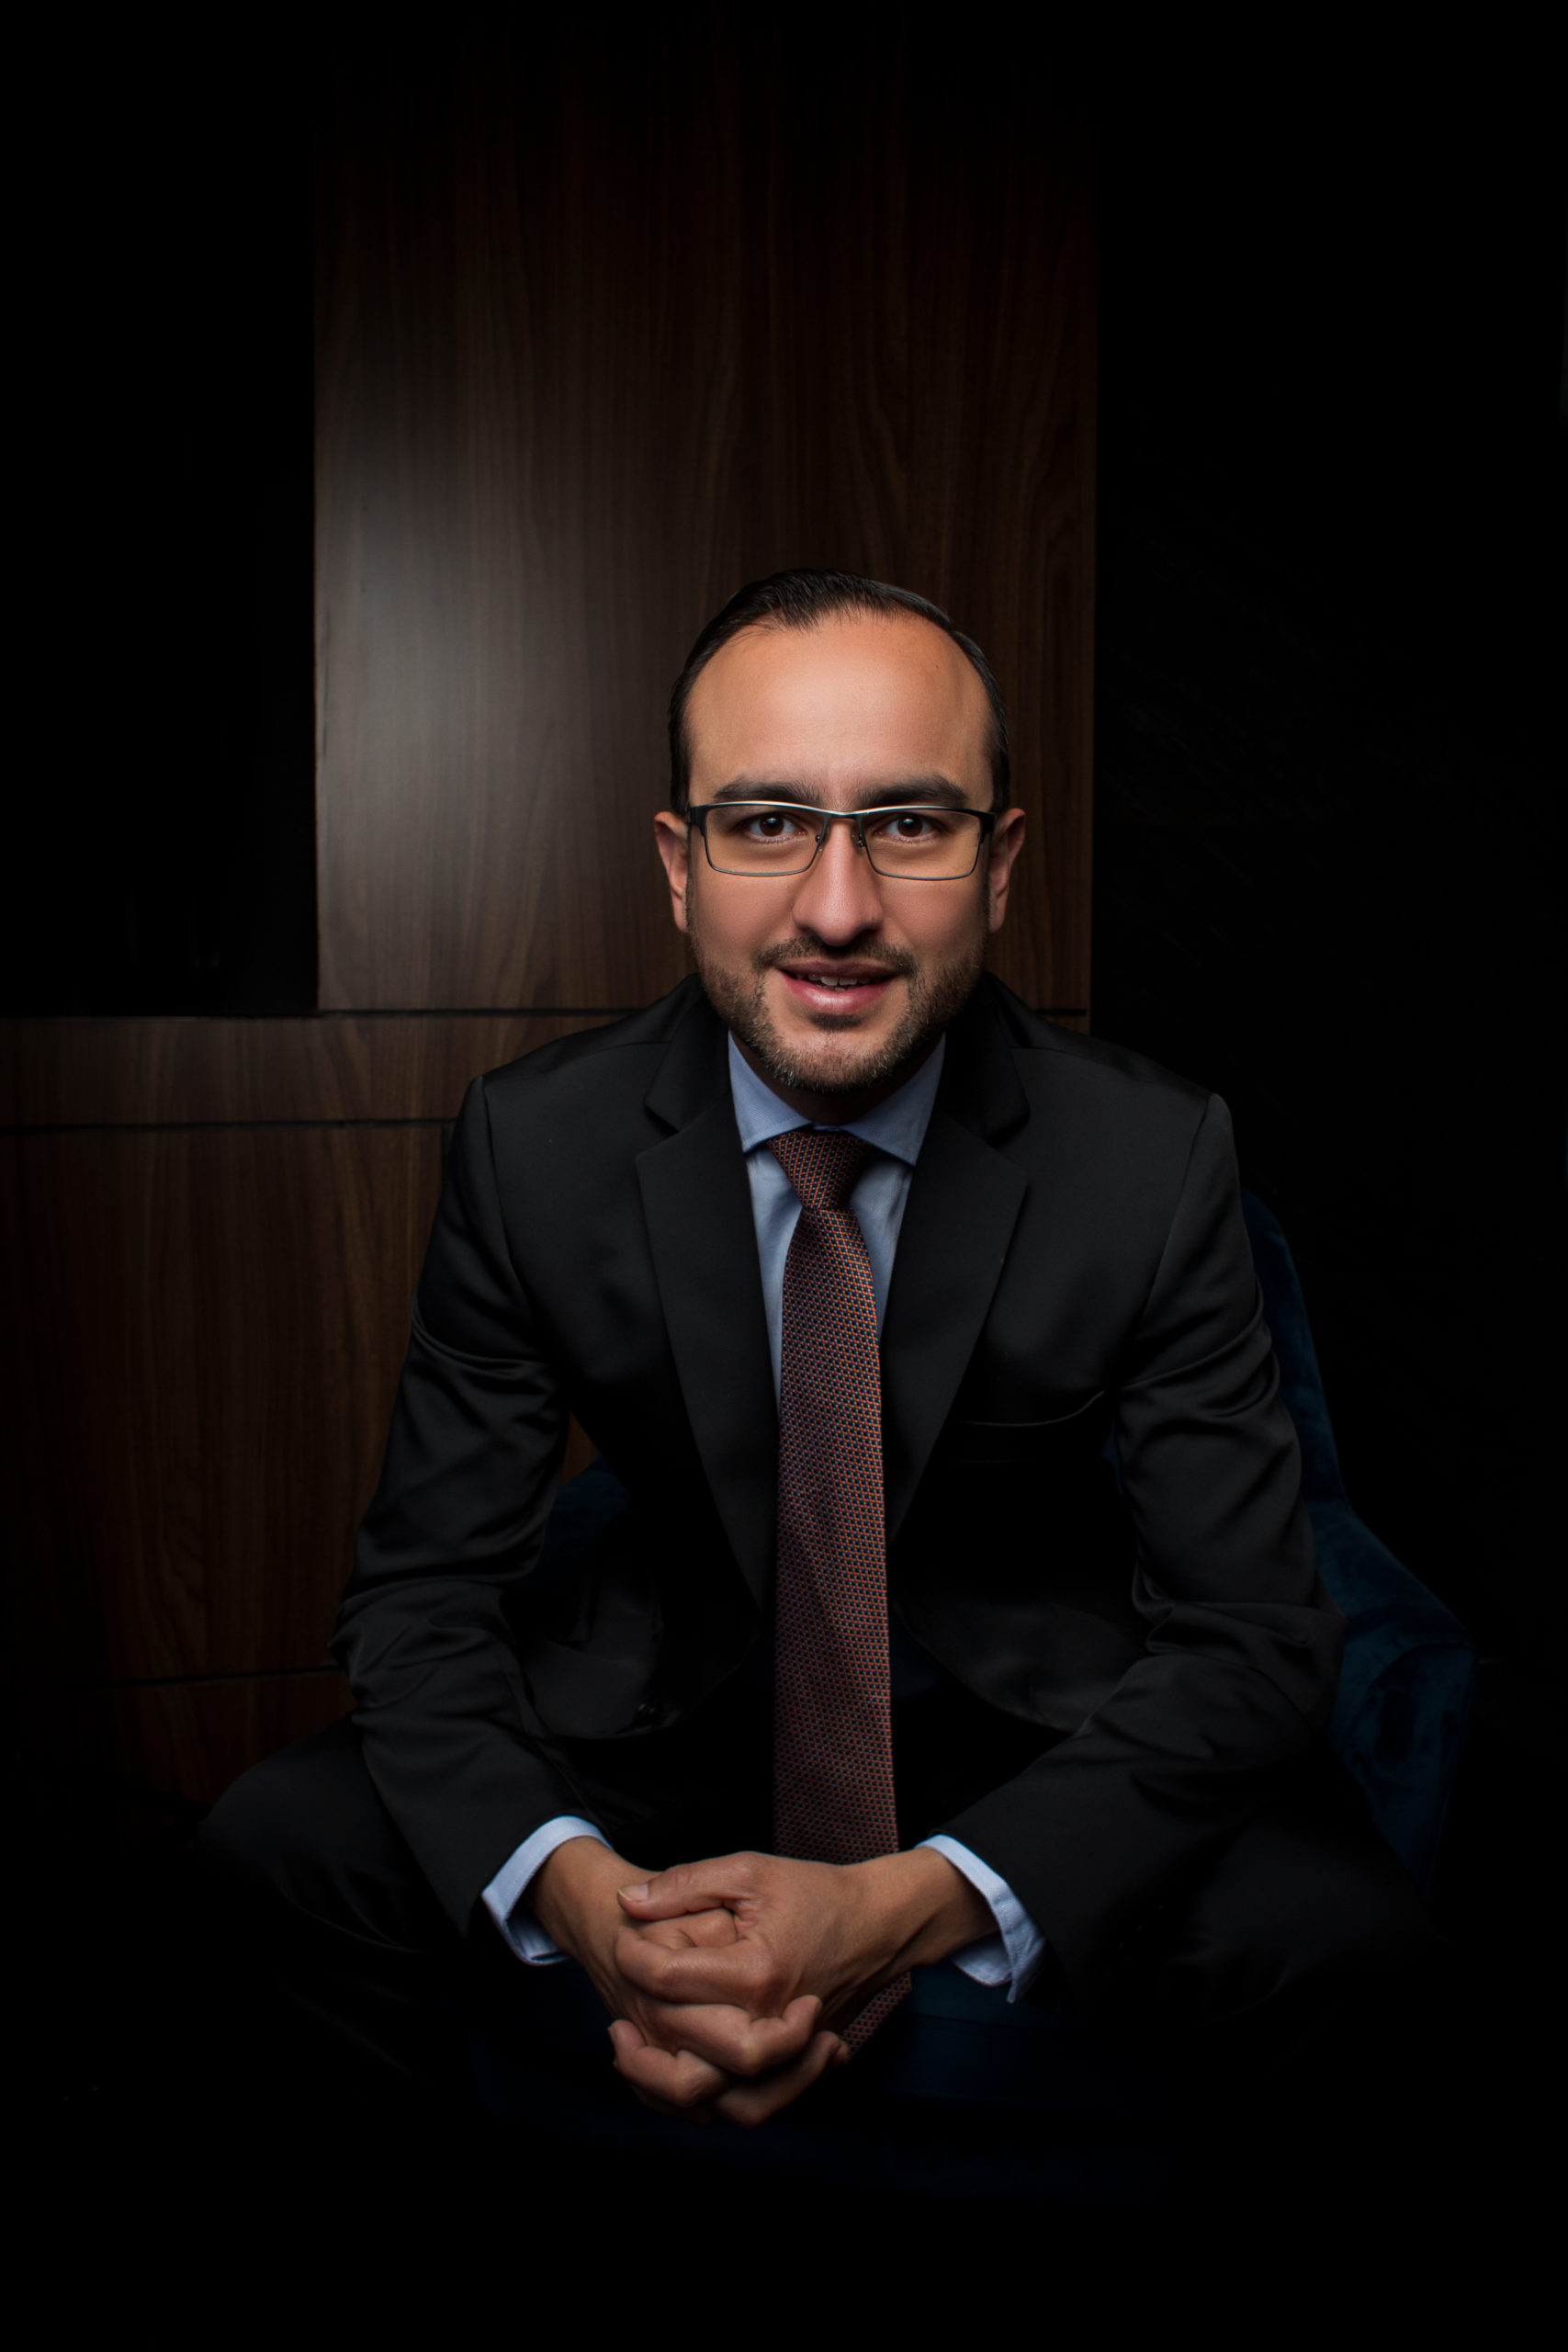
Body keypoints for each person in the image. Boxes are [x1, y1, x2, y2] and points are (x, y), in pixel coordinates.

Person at [200, 570, 1441, 2179]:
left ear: (999, 864)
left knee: (1354, 1944)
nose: (838, 908)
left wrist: (911, 1908)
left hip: (1025, 1737)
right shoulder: (535, 1144)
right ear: (678, 863)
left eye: (909, 824)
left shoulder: (1149, 1157)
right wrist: (585, 1901)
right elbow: (420, 1597)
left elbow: (1254, 1637)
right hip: (665, 1717)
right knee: (275, 1844)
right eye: (769, 821)